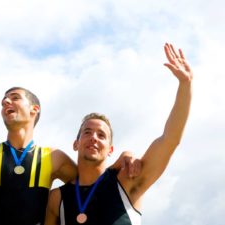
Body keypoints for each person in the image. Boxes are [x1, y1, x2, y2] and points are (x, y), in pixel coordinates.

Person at [0, 66, 140, 225]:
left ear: (34, 109)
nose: (6, 101)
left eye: (15, 97)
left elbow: (91, 183)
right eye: (3, 101)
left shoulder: (54, 158)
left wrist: (121, 160)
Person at [44, 43, 193, 225]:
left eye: (101, 135)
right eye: (87, 132)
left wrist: (185, 85)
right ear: (76, 143)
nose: (94, 138)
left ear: (110, 149)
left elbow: (170, 139)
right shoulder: (57, 198)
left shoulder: (128, 179)